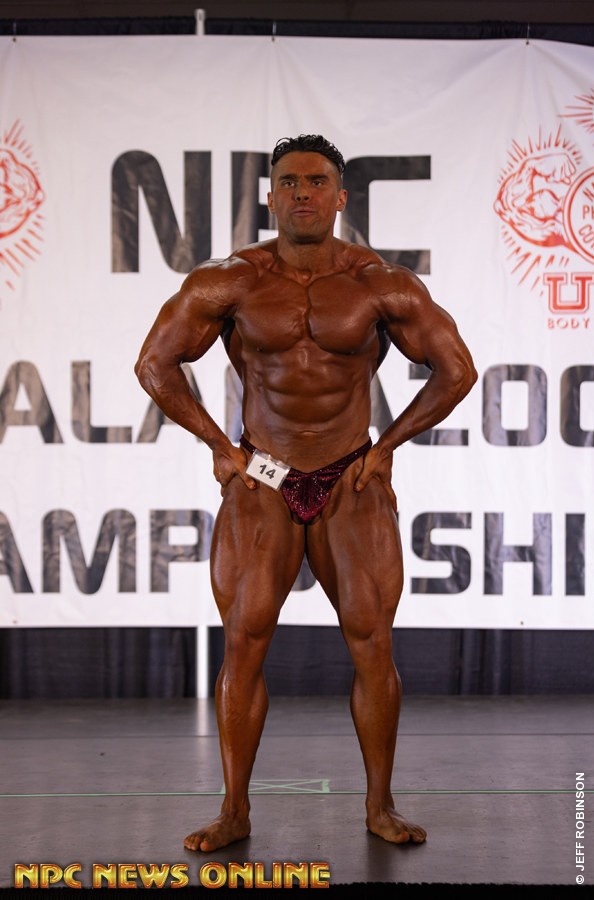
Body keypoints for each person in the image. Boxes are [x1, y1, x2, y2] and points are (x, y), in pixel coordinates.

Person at [135, 134, 477, 852]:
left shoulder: (381, 284)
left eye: (317, 181)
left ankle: (380, 805)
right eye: (288, 182)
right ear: (269, 196)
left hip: (350, 476)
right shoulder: (230, 281)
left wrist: (387, 446)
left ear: (341, 196)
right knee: (244, 640)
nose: (302, 193)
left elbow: (456, 369)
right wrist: (219, 446)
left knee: (371, 642)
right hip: (262, 478)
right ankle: (233, 810)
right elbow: (155, 363)